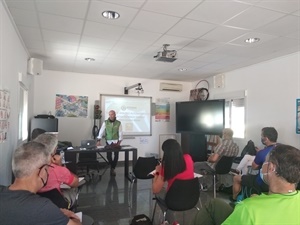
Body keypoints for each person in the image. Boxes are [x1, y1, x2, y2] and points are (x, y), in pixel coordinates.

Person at [190, 144, 300, 225]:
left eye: (264, 163)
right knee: (215, 204)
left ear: (271, 168)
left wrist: (254, 204)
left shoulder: (249, 209)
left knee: (212, 206)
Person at [0, 142, 81, 225]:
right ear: (42, 172)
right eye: (48, 168)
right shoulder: (43, 208)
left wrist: (56, 214)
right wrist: (72, 217)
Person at [152, 139, 194, 224]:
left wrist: (157, 172)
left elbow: (155, 190)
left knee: (160, 194)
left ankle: (171, 221)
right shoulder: (188, 158)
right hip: (192, 198)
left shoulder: (167, 166)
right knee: (170, 196)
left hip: (174, 200)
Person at [34, 133, 81, 209]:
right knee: (73, 190)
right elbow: (75, 183)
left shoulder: (28, 166)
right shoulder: (57, 169)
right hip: (56, 206)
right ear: (54, 150)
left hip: (34, 203)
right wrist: (60, 166)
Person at [231, 127, 277, 201]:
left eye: (262, 136)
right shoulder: (282, 148)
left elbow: (254, 167)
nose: (261, 138)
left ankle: (234, 199)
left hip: (262, 183)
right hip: (276, 181)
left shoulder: (262, 153)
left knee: (236, 178)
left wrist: (259, 154)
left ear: (266, 139)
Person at [96, 110, 123, 176]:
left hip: (116, 141)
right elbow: (101, 131)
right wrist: (98, 140)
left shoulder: (118, 123)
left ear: (115, 115)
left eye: (112, 114)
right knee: (109, 156)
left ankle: (113, 168)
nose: (111, 116)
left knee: (116, 156)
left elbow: (120, 132)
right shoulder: (105, 122)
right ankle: (112, 167)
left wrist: (119, 141)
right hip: (108, 141)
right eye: (110, 114)